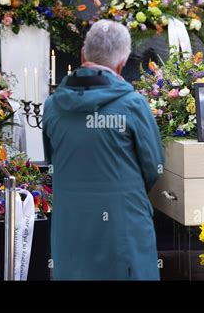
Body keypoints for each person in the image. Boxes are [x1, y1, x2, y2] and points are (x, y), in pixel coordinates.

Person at [42, 20, 164, 280]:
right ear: (122, 63)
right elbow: (153, 167)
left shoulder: (52, 106)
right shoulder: (133, 104)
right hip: (123, 225)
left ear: (83, 54)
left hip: (71, 227)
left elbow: (52, 160)